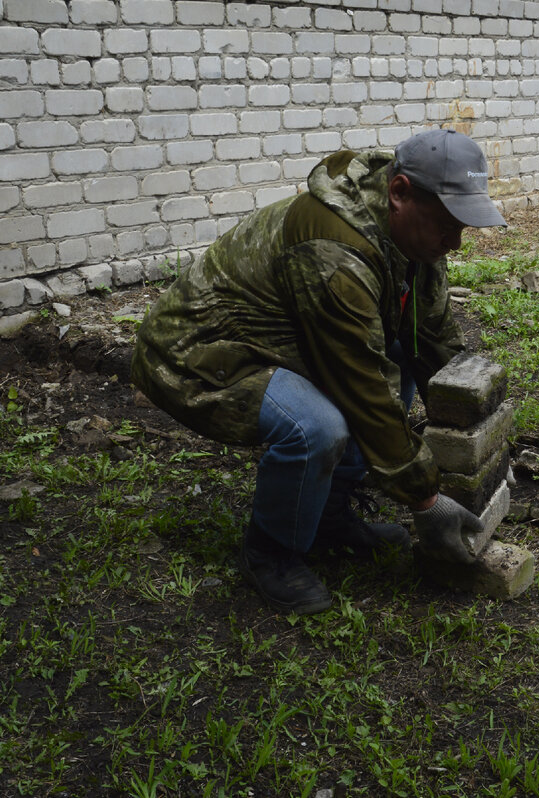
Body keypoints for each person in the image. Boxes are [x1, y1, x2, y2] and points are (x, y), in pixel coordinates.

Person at [131, 129, 506, 614]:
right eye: (449, 224)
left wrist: (486, 439)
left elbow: (430, 342)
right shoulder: (334, 252)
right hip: (199, 353)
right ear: (400, 193)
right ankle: (270, 555)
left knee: (398, 348)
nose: (455, 242)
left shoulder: (412, 236)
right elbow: (362, 384)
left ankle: (329, 516)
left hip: (281, 340)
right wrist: (426, 501)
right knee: (317, 427)